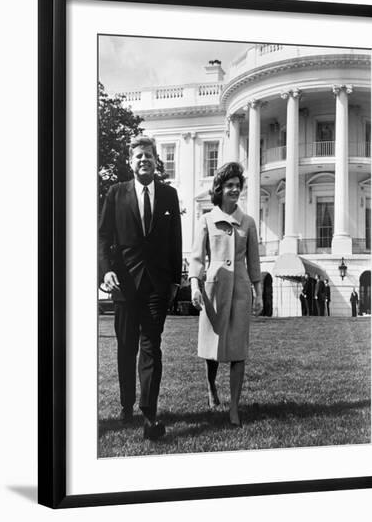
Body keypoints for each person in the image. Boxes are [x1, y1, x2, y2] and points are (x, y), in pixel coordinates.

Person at [99, 135, 182, 440]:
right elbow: (102, 237)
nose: (144, 160)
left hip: (157, 286)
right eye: (138, 156)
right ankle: (126, 405)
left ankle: (149, 414)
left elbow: (175, 240)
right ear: (129, 162)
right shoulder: (115, 194)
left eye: (148, 155)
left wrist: (175, 279)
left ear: (155, 161)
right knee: (126, 347)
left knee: (151, 347)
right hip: (124, 285)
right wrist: (105, 272)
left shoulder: (169, 195)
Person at [189, 162, 262, 427]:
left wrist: (259, 292)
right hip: (214, 291)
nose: (234, 190)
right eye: (229, 185)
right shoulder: (206, 220)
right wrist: (195, 286)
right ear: (219, 189)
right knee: (212, 349)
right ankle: (211, 388)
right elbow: (197, 258)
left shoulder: (249, 223)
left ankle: (234, 407)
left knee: (238, 351)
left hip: (241, 290)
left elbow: (255, 263)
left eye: (237, 186)